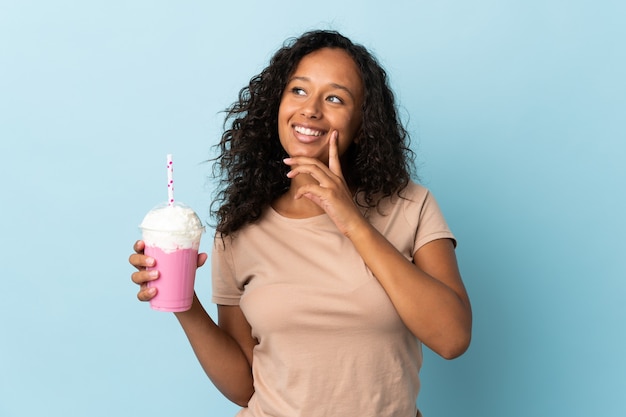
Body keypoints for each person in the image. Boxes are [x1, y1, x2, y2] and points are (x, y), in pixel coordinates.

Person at [129, 29, 472, 417]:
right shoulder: (240, 226)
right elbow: (245, 387)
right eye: (298, 91)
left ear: (363, 123)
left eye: (335, 98)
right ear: (276, 105)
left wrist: (353, 222)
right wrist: (182, 299)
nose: (310, 109)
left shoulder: (410, 205)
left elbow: (452, 338)